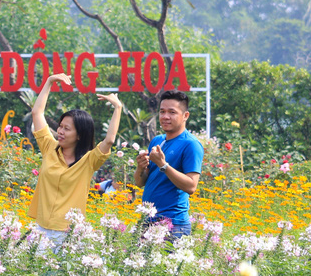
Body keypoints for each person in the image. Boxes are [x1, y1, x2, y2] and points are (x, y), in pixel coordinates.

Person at [28, 73, 123, 249]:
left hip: (69, 234)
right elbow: (37, 112)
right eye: (60, 126)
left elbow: (109, 140)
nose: (61, 131)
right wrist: (49, 81)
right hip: (42, 230)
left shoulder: (88, 161)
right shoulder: (50, 147)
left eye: (67, 129)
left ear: (79, 135)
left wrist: (117, 107)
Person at [135, 90, 204, 240]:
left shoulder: (191, 145)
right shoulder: (157, 140)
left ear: (185, 116)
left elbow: (191, 186)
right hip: (147, 221)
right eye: (162, 111)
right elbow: (140, 182)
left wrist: (163, 164)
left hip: (173, 225)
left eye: (172, 112)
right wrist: (140, 167)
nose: (165, 117)